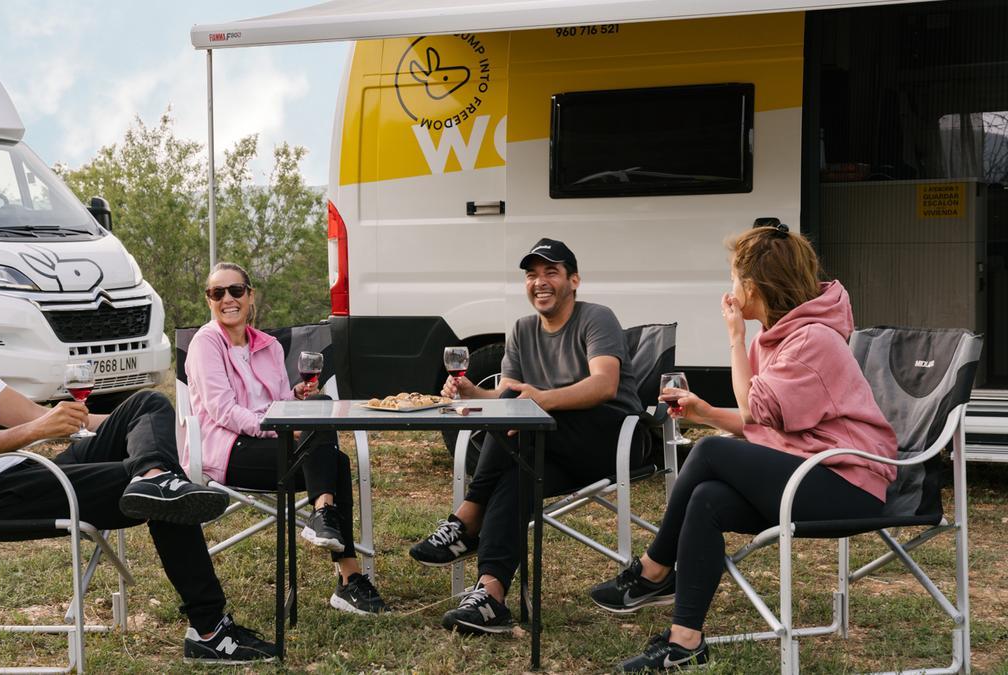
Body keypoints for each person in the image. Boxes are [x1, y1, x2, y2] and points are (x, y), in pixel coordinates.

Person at [0, 262, 276, 665]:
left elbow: (30, 415)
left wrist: (124, 425)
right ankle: (209, 629)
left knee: (148, 403)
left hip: (19, 472)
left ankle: (154, 476)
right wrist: (41, 429)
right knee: (159, 495)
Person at [589, 222, 899, 672]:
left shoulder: (813, 340)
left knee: (711, 453)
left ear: (752, 286)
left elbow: (752, 404)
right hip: (807, 473)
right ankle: (685, 641)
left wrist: (735, 339)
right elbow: (762, 418)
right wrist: (703, 412)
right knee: (706, 498)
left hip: (849, 484)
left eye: (734, 277)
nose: (730, 288)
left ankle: (654, 570)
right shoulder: (781, 337)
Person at [409, 238, 647, 635]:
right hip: (547, 444)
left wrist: (540, 400)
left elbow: (605, 385)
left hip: (615, 439)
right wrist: (474, 393)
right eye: (532, 274)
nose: (540, 281)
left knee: (521, 421)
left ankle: (467, 518)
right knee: (515, 474)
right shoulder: (521, 330)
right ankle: (491, 596)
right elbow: (507, 395)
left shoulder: (596, 318)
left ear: (574, 280)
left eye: (551, 272)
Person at [184, 261, 388, 615]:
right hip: (228, 450)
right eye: (218, 293)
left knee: (320, 406)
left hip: (277, 442)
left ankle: (324, 515)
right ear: (209, 300)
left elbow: (280, 403)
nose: (227, 299)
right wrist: (279, 426)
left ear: (250, 296)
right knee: (334, 462)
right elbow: (223, 411)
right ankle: (347, 574)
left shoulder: (270, 347)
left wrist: (296, 398)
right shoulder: (206, 344)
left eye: (235, 291)